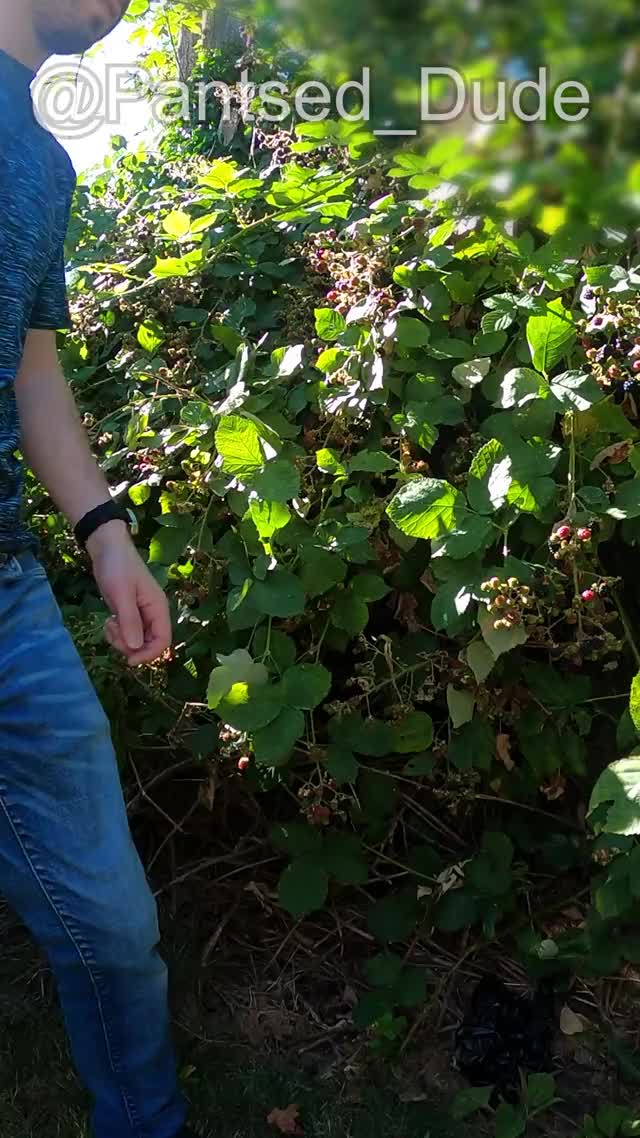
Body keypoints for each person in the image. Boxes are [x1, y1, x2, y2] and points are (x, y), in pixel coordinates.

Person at [0, 2, 196, 1135]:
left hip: (9, 595)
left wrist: (106, 535)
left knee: (113, 926)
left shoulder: (41, 161)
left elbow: (31, 373)